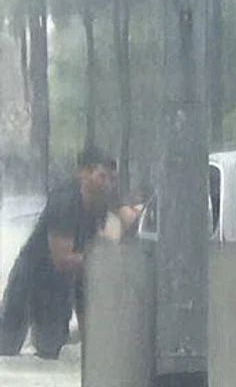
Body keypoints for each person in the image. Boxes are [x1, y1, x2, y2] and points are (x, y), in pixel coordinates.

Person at [0, 147, 142, 359]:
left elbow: (133, 223)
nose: (107, 184)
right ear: (83, 173)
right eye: (101, 176)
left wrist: (130, 211)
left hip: (63, 284)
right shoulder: (65, 201)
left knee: (51, 352)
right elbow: (62, 259)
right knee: (6, 349)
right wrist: (104, 259)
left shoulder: (105, 198)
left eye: (112, 179)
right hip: (31, 278)